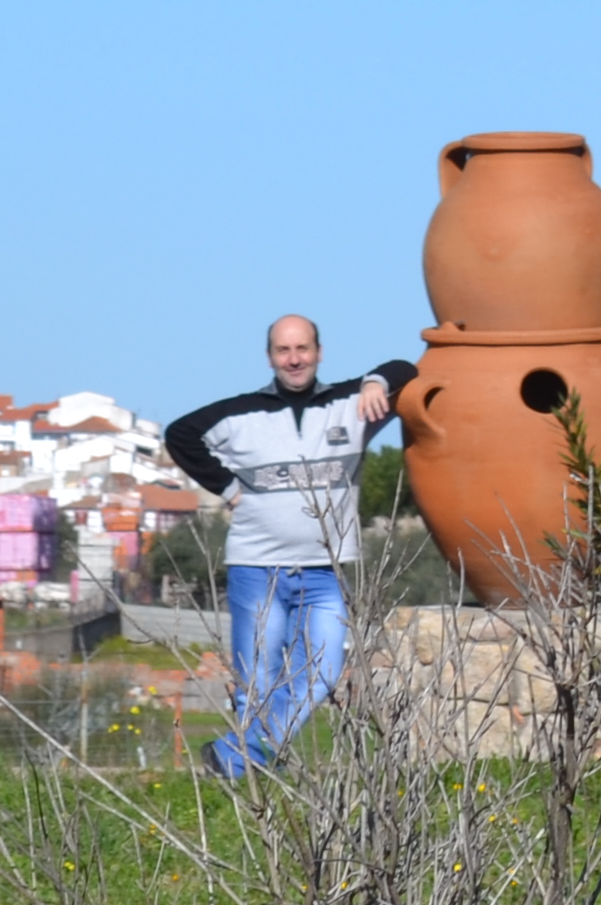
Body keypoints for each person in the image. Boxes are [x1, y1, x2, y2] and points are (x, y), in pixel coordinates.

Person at [161, 316, 415, 776]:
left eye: (302, 349)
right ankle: (246, 771)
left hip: (325, 571)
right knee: (255, 681)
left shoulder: (351, 405)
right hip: (257, 569)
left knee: (319, 674)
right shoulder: (239, 414)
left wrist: (377, 382)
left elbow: (407, 369)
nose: (294, 359)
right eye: (283, 350)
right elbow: (179, 435)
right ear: (270, 357)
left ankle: (235, 758)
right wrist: (227, 489)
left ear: (318, 352)